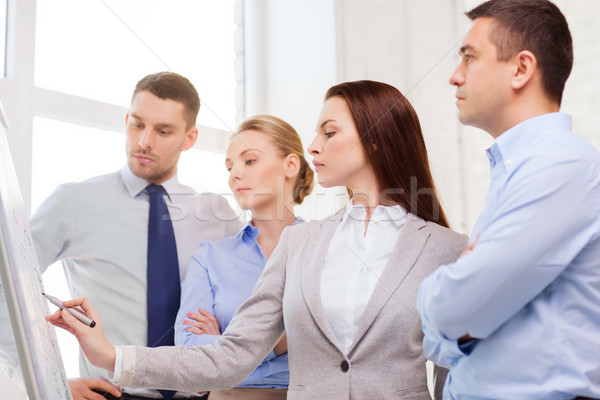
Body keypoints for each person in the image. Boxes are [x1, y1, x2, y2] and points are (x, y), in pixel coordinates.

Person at [47, 80, 468, 400]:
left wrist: (289, 339)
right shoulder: (301, 244)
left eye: (329, 132)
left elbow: (457, 373)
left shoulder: (447, 250)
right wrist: (109, 356)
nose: (313, 145)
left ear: (375, 139)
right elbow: (230, 356)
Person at [416, 1, 600, 399]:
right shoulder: (517, 172)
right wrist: (458, 308)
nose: (454, 76)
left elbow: (454, 310)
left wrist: (439, 298)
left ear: (521, 69)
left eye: (469, 58)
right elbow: (438, 341)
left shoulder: (561, 166)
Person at [31, 72, 242, 400]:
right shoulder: (73, 202)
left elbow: (253, 307)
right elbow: (9, 289)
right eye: (138, 124)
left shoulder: (218, 216)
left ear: (189, 138)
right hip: (110, 394)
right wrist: (47, 378)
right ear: (127, 119)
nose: (145, 141)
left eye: (163, 131)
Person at [174, 115, 314, 399]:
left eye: (249, 161)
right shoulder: (211, 257)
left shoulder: (326, 248)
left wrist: (228, 348)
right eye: (229, 166)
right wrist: (282, 340)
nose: (234, 174)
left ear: (290, 165)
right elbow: (191, 361)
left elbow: (343, 347)